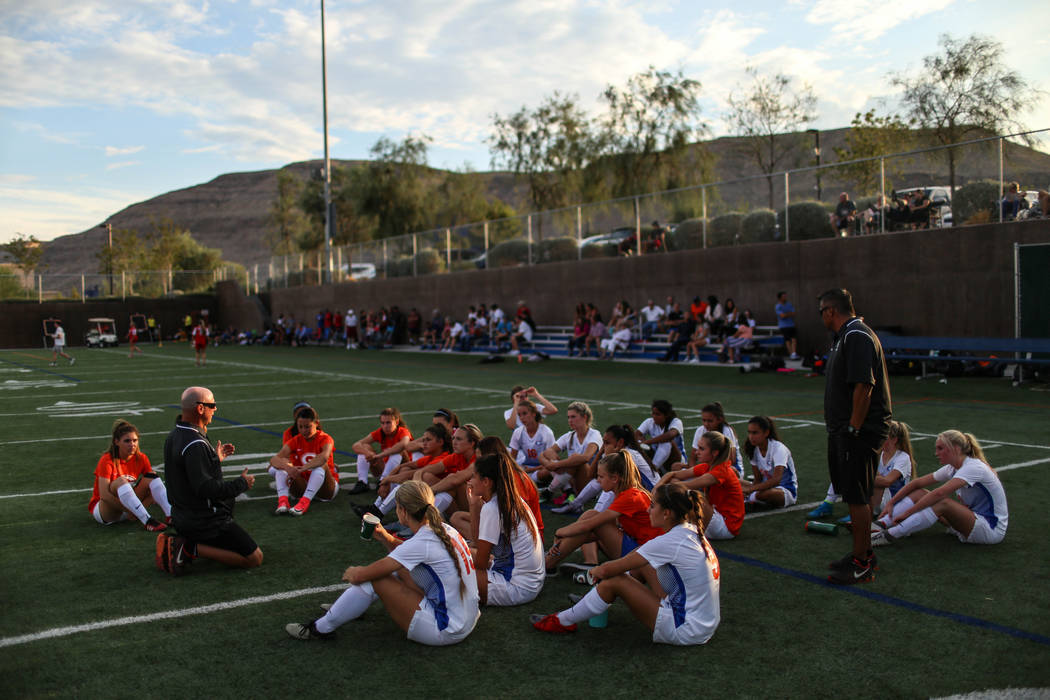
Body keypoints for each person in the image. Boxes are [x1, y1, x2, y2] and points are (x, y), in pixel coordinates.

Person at [286, 481, 479, 644]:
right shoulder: (442, 528)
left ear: (402, 510)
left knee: (377, 578)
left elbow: (363, 575)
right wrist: (385, 537)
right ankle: (347, 609)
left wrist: (353, 572)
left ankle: (321, 628)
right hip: (465, 619)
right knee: (395, 571)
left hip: (447, 629)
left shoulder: (423, 541)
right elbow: (409, 553)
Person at [531, 482, 720, 645]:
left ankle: (563, 620)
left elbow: (608, 569)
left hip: (686, 629)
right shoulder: (690, 530)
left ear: (667, 513)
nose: (648, 510)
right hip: (704, 623)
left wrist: (594, 572)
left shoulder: (669, 541)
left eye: (653, 506)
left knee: (615, 580)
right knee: (642, 563)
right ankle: (593, 601)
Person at [820, 287, 892, 585]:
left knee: (858, 495)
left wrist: (853, 428)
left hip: (858, 432)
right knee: (851, 492)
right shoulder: (844, 337)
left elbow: (864, 386)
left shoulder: (856, 335)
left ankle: (863, 562)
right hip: (846, 430)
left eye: (821, 312)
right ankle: (861, 553)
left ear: (830, 311)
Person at [159, 386, 262, 574]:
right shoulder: (194, 443)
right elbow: (205, 488)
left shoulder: (175, 435)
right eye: (212, 405)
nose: (215, 409)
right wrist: (241, 484)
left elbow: (187, 475)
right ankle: (188, 548)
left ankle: (190, 543)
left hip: (182, 516)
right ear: (200, 408)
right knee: (254, 558)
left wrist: (213, 459)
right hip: (204, 521)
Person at [872, 430, 1007, 547]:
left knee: (943, 503)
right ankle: (880, 524)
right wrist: (891, 502)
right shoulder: (953, 467)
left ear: (956, 449)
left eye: (940, 448)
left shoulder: (973, 467)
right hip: (970, 522)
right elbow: (917, 483)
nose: (936, 453)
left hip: (991, 529)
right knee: (920, 493)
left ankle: (889, 535)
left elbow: (939, 493)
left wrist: (907, 513)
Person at [542, 450, 662, 574]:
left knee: (593, 519)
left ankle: (547, 563)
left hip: (643, 558)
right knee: (590, 516)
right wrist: (568, 539)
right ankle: (581, 562)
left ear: (615, 478)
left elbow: (588, 525)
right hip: (638, 549)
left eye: (601, 476)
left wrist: (559, 533)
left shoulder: (630, 496)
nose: (598, 480)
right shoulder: (625, 493)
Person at [452, 453, 544, 606]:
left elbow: (481, 563)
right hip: (529, 581)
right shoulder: (511, 499)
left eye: (474, 476)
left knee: (450, 574)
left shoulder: (493, 508)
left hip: (517, 586)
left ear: (486, 482)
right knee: (460, 553)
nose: (470, 481)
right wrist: (474, 504)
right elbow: (476, 544)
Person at [655, 431, 743, 540]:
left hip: (726, 527)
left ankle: (673, 525)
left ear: (715, 453)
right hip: (714, 518)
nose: (697, 452)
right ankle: (671, 524)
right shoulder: (707, 466)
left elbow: (685, 486)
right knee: (676, 479)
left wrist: (658, 490)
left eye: (702, 449)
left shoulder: (720, 471)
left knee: (691, 495)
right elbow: (672, 474)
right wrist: (657, 486)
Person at [358, 424, 452, 520]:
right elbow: (404, 466)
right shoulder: (431, 457)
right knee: (405, 470)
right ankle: (377, 509)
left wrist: (388, 479)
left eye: (428, 440)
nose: (424, 443)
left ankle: (380, 512)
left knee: (417, 479)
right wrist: (386, 481)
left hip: (446, 507)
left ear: (440, 442)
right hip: (430, 499)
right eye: (423, 440)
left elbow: (415, 472)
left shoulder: (444, 458)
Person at [89, 420, 170, 531]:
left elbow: (152, 487)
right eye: (127, 441)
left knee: (152, 477)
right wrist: (129, 510)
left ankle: (171, 515)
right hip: (107, 511)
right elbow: (104, 496)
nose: (132, 444)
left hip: (129, 507)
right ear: (116, 442)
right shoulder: (107, 460)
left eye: (135, 440)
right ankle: (147, 520)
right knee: (121, 481)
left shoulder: (141, 458)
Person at [268, 406, 338, 516]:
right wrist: (288, 468)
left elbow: (323, 457)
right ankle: (283, 502)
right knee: (281, 467)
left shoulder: (325, 438)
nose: (303, 430)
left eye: (307, 427)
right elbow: (274, 459)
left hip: (326, 489)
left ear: (317, 424)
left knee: (321, 466)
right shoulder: (295, 440)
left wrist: (302, 469)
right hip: (303, 484)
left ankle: (304, 503)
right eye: (300, 427)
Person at [536, 401, 602, 501]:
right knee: (549, 463)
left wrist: (557, 465)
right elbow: (544, 454)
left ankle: (549, 491)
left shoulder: (594, 434)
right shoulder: (569, 435)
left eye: (573, 417)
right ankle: (568, 491)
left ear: (584, 417)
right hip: (572, 479)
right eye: (568, 417)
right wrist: (551, 464)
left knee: (576, 459)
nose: (570, 420)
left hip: (591, 483)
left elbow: (586, 458)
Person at [411, 424, 483, 515]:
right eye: (453, 438)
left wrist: (427, 492)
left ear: (472, 443)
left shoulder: (479, 457)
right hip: (465, 504)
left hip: (481, 508)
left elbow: (455, 479)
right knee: (427, 477)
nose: (454, 442)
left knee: (455, 484)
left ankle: (422, 519)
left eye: (459, 439)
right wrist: (418, 473)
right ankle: (421, 519)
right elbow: (429, 469)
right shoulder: (457, 456)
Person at [350, 407, 412, 495]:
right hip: (386, 469)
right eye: (382, 423)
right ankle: (363, 481)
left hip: (404, 471)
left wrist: (379, 456)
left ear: (397, 422)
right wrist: (368, 453)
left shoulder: (403, 431)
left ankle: (383, 482)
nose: (385, 426)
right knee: (364, 447)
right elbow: (356, 445)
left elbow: (403, 445)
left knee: (398, 451)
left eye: (388, 423)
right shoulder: (380, 432)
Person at [740, 415, 798, 509]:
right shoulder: (753, 449)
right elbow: (758, 479)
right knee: (732, 481)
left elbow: (776, 480)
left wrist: (750, 490)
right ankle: (751, 499)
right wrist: (748, 490)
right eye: (749, 432)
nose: (751, 437)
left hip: (785, 491)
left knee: (764, 494)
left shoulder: (779, 449)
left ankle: (751, 500)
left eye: (755, 433)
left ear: (766, 432)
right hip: (763, 487)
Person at [684, 402, 745, 479]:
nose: (706, 424)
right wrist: (693, 473)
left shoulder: (726, 431)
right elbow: (693, 457)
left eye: (710, 421)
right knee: (677, 466)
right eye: (704, 420)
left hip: (728, 468)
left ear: (719, 420)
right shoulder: (700, 430)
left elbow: (731, 459)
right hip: (707, 467)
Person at [508, 399, 557, 478]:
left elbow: (552, 461)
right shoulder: (518, 432)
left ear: (534, 414)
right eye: (519, 415)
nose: (522, 418)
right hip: (525, 467)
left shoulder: (546, 432)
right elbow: (512, 458)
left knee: (547, 472)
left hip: (541, 468)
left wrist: (531, 470)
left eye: (525, 414)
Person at [635, 399, 685, 474]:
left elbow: (670, 435)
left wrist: (647, 442)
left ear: (666, 415)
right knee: (637, 443)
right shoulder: (650, 422)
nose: (654, 416)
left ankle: (652, 471)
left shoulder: (676, 422)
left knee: (666, 443)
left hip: (676, 462)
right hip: (659, 460)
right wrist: (640, 440)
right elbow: (636, 434)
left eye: (658, 414)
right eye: (653, 413)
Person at [775, 291, 799, 360]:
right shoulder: (778, 306)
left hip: (791, 324)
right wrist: (788, 314)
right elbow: (782, 316)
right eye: (783, 296)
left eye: (785, 296)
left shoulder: (789, 304)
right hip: (784, 326)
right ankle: (791, 354)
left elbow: (793, 313)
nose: (785, 297)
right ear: (780, 298)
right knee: (787, 340)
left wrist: (786, 314)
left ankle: (794, 353)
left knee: (794, 339)